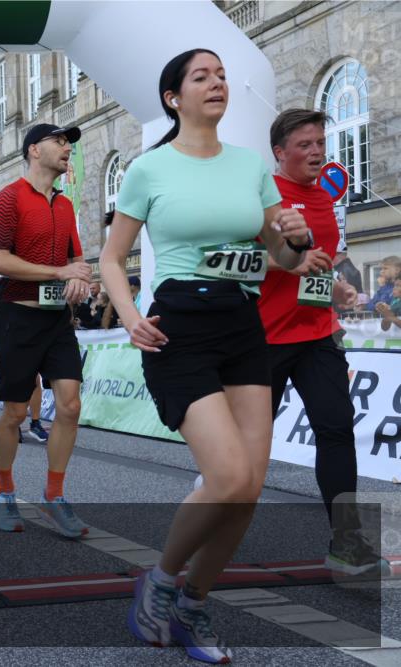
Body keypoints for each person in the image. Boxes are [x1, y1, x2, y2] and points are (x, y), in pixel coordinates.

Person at [99, 49, 312, 663]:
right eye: (202, 76)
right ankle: (160, 584)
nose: (217, 83)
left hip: (243, 325)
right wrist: (132, 317)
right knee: (227, 477)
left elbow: (286, 256)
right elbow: (113, 257)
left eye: (221, 75)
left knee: (248, 488)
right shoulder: (149, 169)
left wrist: (293, 237)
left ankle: (193, 605)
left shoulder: (251, 168)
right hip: (178, 327)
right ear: (174, 97)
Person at [261, 108, 388, 575]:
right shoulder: (266, 194)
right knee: (247, 452)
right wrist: (291, 263)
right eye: (305, 146)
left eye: (320, 143)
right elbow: (242, 258)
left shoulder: (324, 200)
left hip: (317, 335)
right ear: (280, 153)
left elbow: (322, 262)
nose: (317, 152)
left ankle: (346, 542)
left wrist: (338, 288)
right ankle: (207, 523)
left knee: (336, 429)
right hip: (265, 338)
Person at [0, 121, 91, 540]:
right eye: (60, 142)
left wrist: (80, 278)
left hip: (56, 319)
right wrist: (58, 270)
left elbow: (77, 259)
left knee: (69, 406)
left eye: (69, 143)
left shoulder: (64, 205)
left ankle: (54, 494)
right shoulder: (10, 197)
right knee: (15, 412)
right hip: (17, 314)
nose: (67, 149)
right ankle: (5, 490)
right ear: (34, 150)